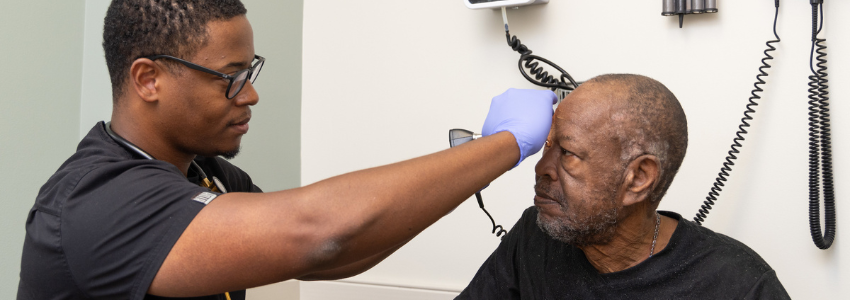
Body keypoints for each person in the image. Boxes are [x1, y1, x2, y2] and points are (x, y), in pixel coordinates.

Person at [16, 1, 558, 299]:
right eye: (229, 77)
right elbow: (320, 234)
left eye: (250, 72)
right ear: (148, 79)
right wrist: (501, 147)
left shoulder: (207, 175)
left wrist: (469, 169)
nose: (250, 94)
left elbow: (346, 251)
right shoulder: (95, 200)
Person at [456, 74, 791, 300]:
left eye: (568, 154)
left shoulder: (738, 285)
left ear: (639, 178)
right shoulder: (534, 237)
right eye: (547, 147)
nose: (542, 169)